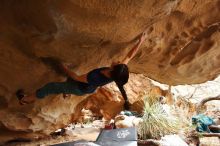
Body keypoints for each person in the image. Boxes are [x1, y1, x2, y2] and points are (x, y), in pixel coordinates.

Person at [16, 32, 147, 110]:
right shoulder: (116, 73)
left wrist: (62, 66)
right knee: (67, 81)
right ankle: (66, 92)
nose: (118, 60)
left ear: (113, 68)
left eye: (117, 63)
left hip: (80, 88)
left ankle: (26, 99)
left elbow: (75, 77)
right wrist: (140, 41)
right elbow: (129, 56)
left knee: (51, 87)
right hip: (87, 87)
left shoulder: (95, 78)